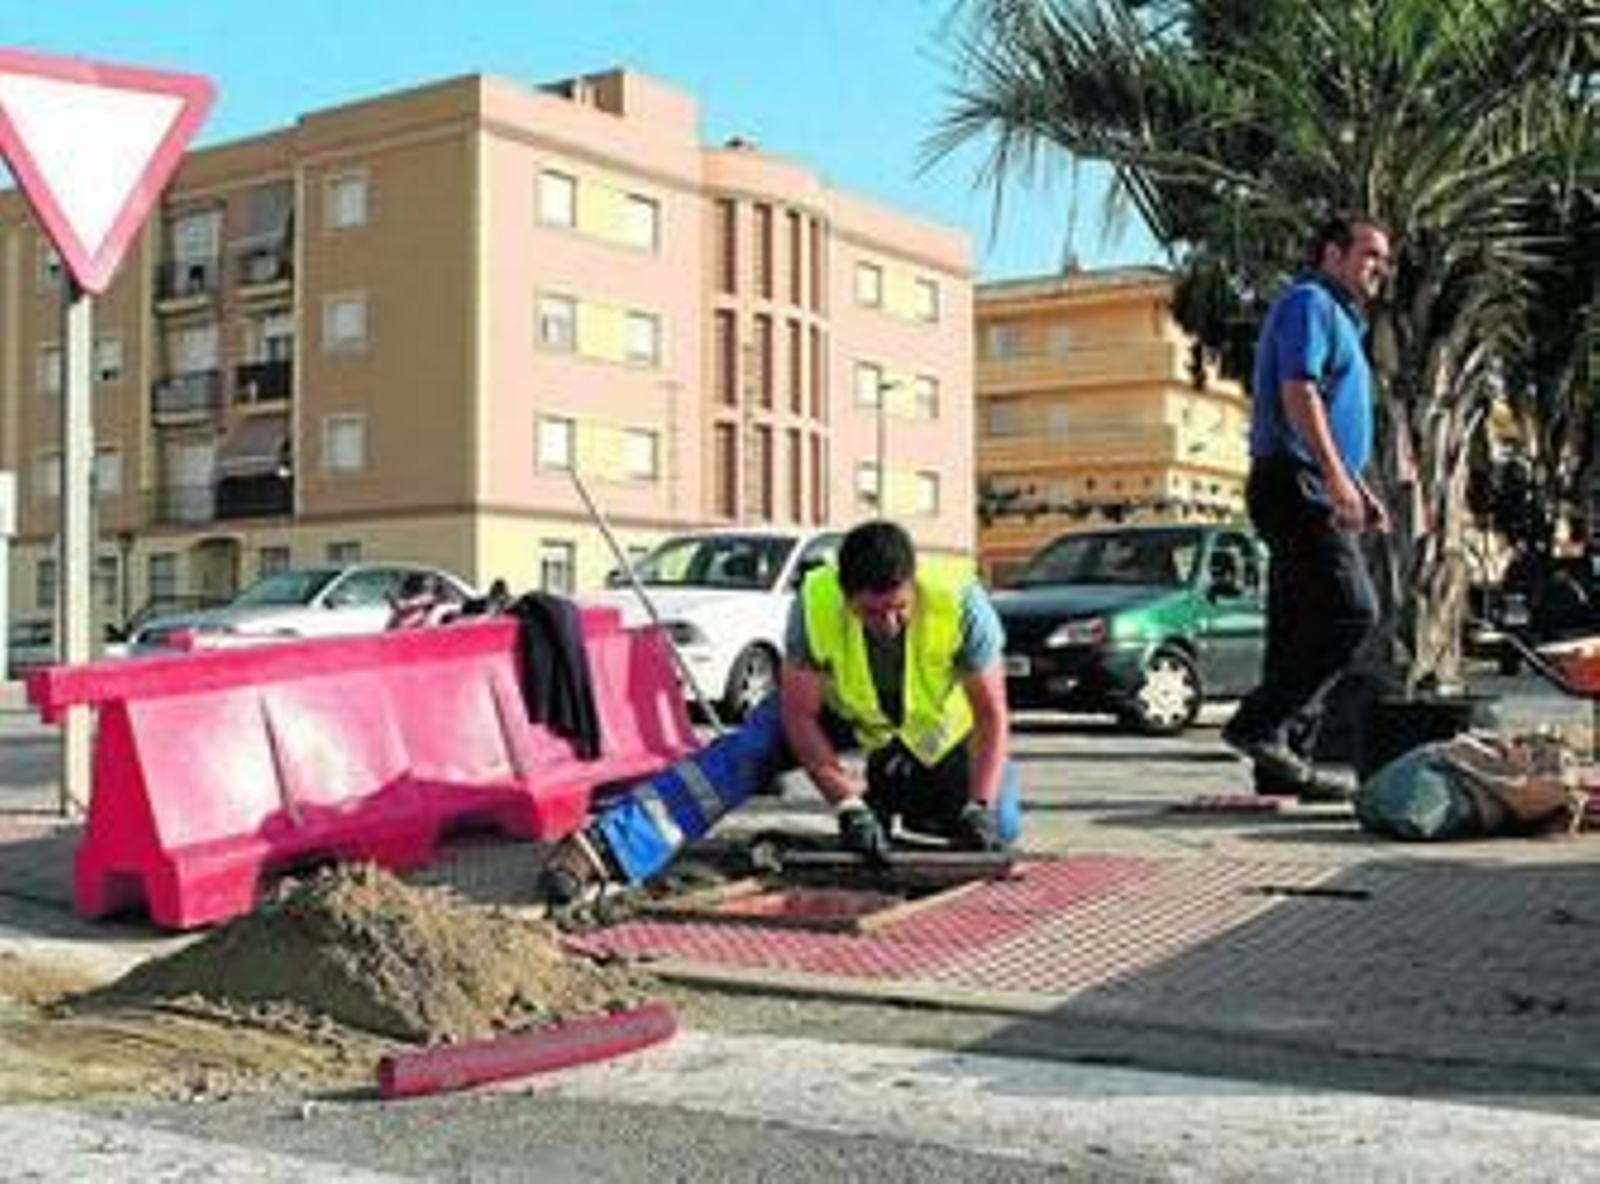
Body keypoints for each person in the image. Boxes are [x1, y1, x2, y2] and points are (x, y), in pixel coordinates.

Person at [1221, 213, 1392, 798]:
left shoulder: (1344, 319)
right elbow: (1299, 390)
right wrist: (1333, 480)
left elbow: (1335, 418)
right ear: (1331, 254)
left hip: (1310, 478)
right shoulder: (1309, 303)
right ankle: (1259, 726)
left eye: (1384, 259)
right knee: (1352, 612)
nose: (1380, 268)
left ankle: (1282, 763)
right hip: (1295, 482)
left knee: (1297, 625)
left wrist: (1360, 489)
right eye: (1369, 254)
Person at [780, 519, 1021, 863]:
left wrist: (979, 805)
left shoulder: (962, 601)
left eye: (899, 608)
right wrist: (847, 804)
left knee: (1001, 825)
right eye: (872, 613)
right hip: (852, 719)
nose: (888, 624)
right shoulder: (815, 602)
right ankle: (676, 824)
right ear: (846, 596)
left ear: (912, 583)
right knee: (753, 746)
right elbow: (799, 714)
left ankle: (915, 802)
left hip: (936, 734)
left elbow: (991, 714)